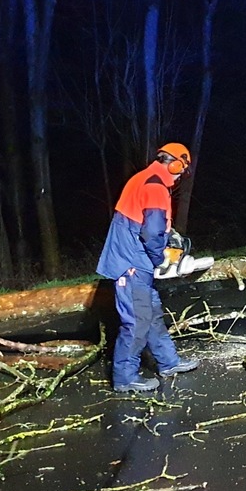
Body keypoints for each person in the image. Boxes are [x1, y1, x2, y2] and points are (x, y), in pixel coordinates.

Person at [96, 143, 201, 392]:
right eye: (180, 170)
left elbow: (150, 224)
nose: (179, 176)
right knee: (137, 321)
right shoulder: (155, 186)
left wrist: (168, 236)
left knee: (152, 315)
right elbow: (152, 232)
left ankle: (168, 362)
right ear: (175, 163)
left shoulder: (143, 179)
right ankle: (124, 377)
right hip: (131, 264)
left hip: (135, 260)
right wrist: (161, 260)